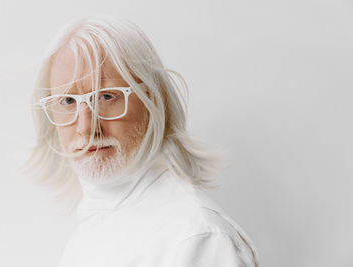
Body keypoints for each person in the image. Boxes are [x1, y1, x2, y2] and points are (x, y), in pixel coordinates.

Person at [25, 15, 259, 267]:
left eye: (106, 96)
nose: (86, 127)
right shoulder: (90, 230)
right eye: (68, 101)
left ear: (153, 102)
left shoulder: (196, 239)